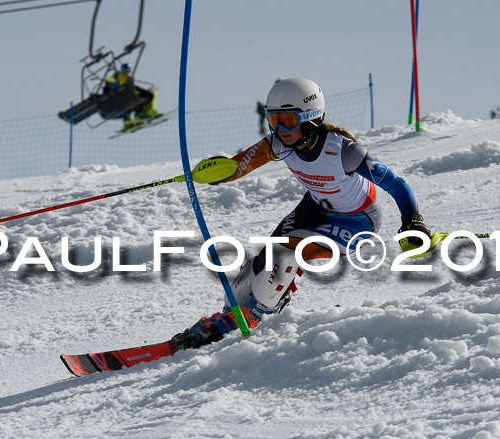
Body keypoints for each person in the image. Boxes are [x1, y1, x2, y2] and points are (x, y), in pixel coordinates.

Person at [170, 78, 431, 350]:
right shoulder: (278, 144)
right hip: (315, 208)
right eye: (274, 120)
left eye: (288, 120)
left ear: (310, 119)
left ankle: (257, 314)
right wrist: (209, 175)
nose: (280, 129)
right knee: (259, 263)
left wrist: (412, 220)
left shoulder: (344, 151)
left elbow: (396, 184)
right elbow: (237, 167)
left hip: (357, 220)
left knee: (285, 255)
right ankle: (230, 317)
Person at [114, 63, 159, 129]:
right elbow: (129, 88)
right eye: (126, 69)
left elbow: (132, 88)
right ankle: (147, 116)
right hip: (130, 97)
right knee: (146, 99)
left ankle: (142, 118)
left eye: (129, 69)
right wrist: (142, 92)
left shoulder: (124, 77)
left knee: (143, 102)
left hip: (129, 97)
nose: (128, 71)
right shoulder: (123, 77)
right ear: (123, 70)